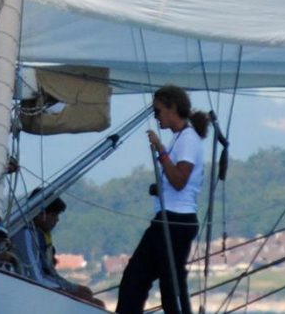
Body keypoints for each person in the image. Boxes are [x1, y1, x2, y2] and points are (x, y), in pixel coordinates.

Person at [116, 85, 208, 314]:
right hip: (170, 217)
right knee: (138, 277)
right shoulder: (180, 138)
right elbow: (175, 180)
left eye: (157, 111)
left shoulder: (188, 139)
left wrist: (160, 149)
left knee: (169, 283)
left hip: (177, 220)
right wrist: (159, 187)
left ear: (172, 108)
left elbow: (179, 180)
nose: (156, 117)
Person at [11, 191, 104, 307]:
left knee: (95, 302)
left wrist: (74, 287)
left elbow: (50, 273)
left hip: (40, 291)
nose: (57, 220)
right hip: (27, 293)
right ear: (41, 214)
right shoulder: (26, 233)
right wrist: (69, 291)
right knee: (94, 304)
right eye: (54, 215)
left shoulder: (40, 236)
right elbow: (35, 277)